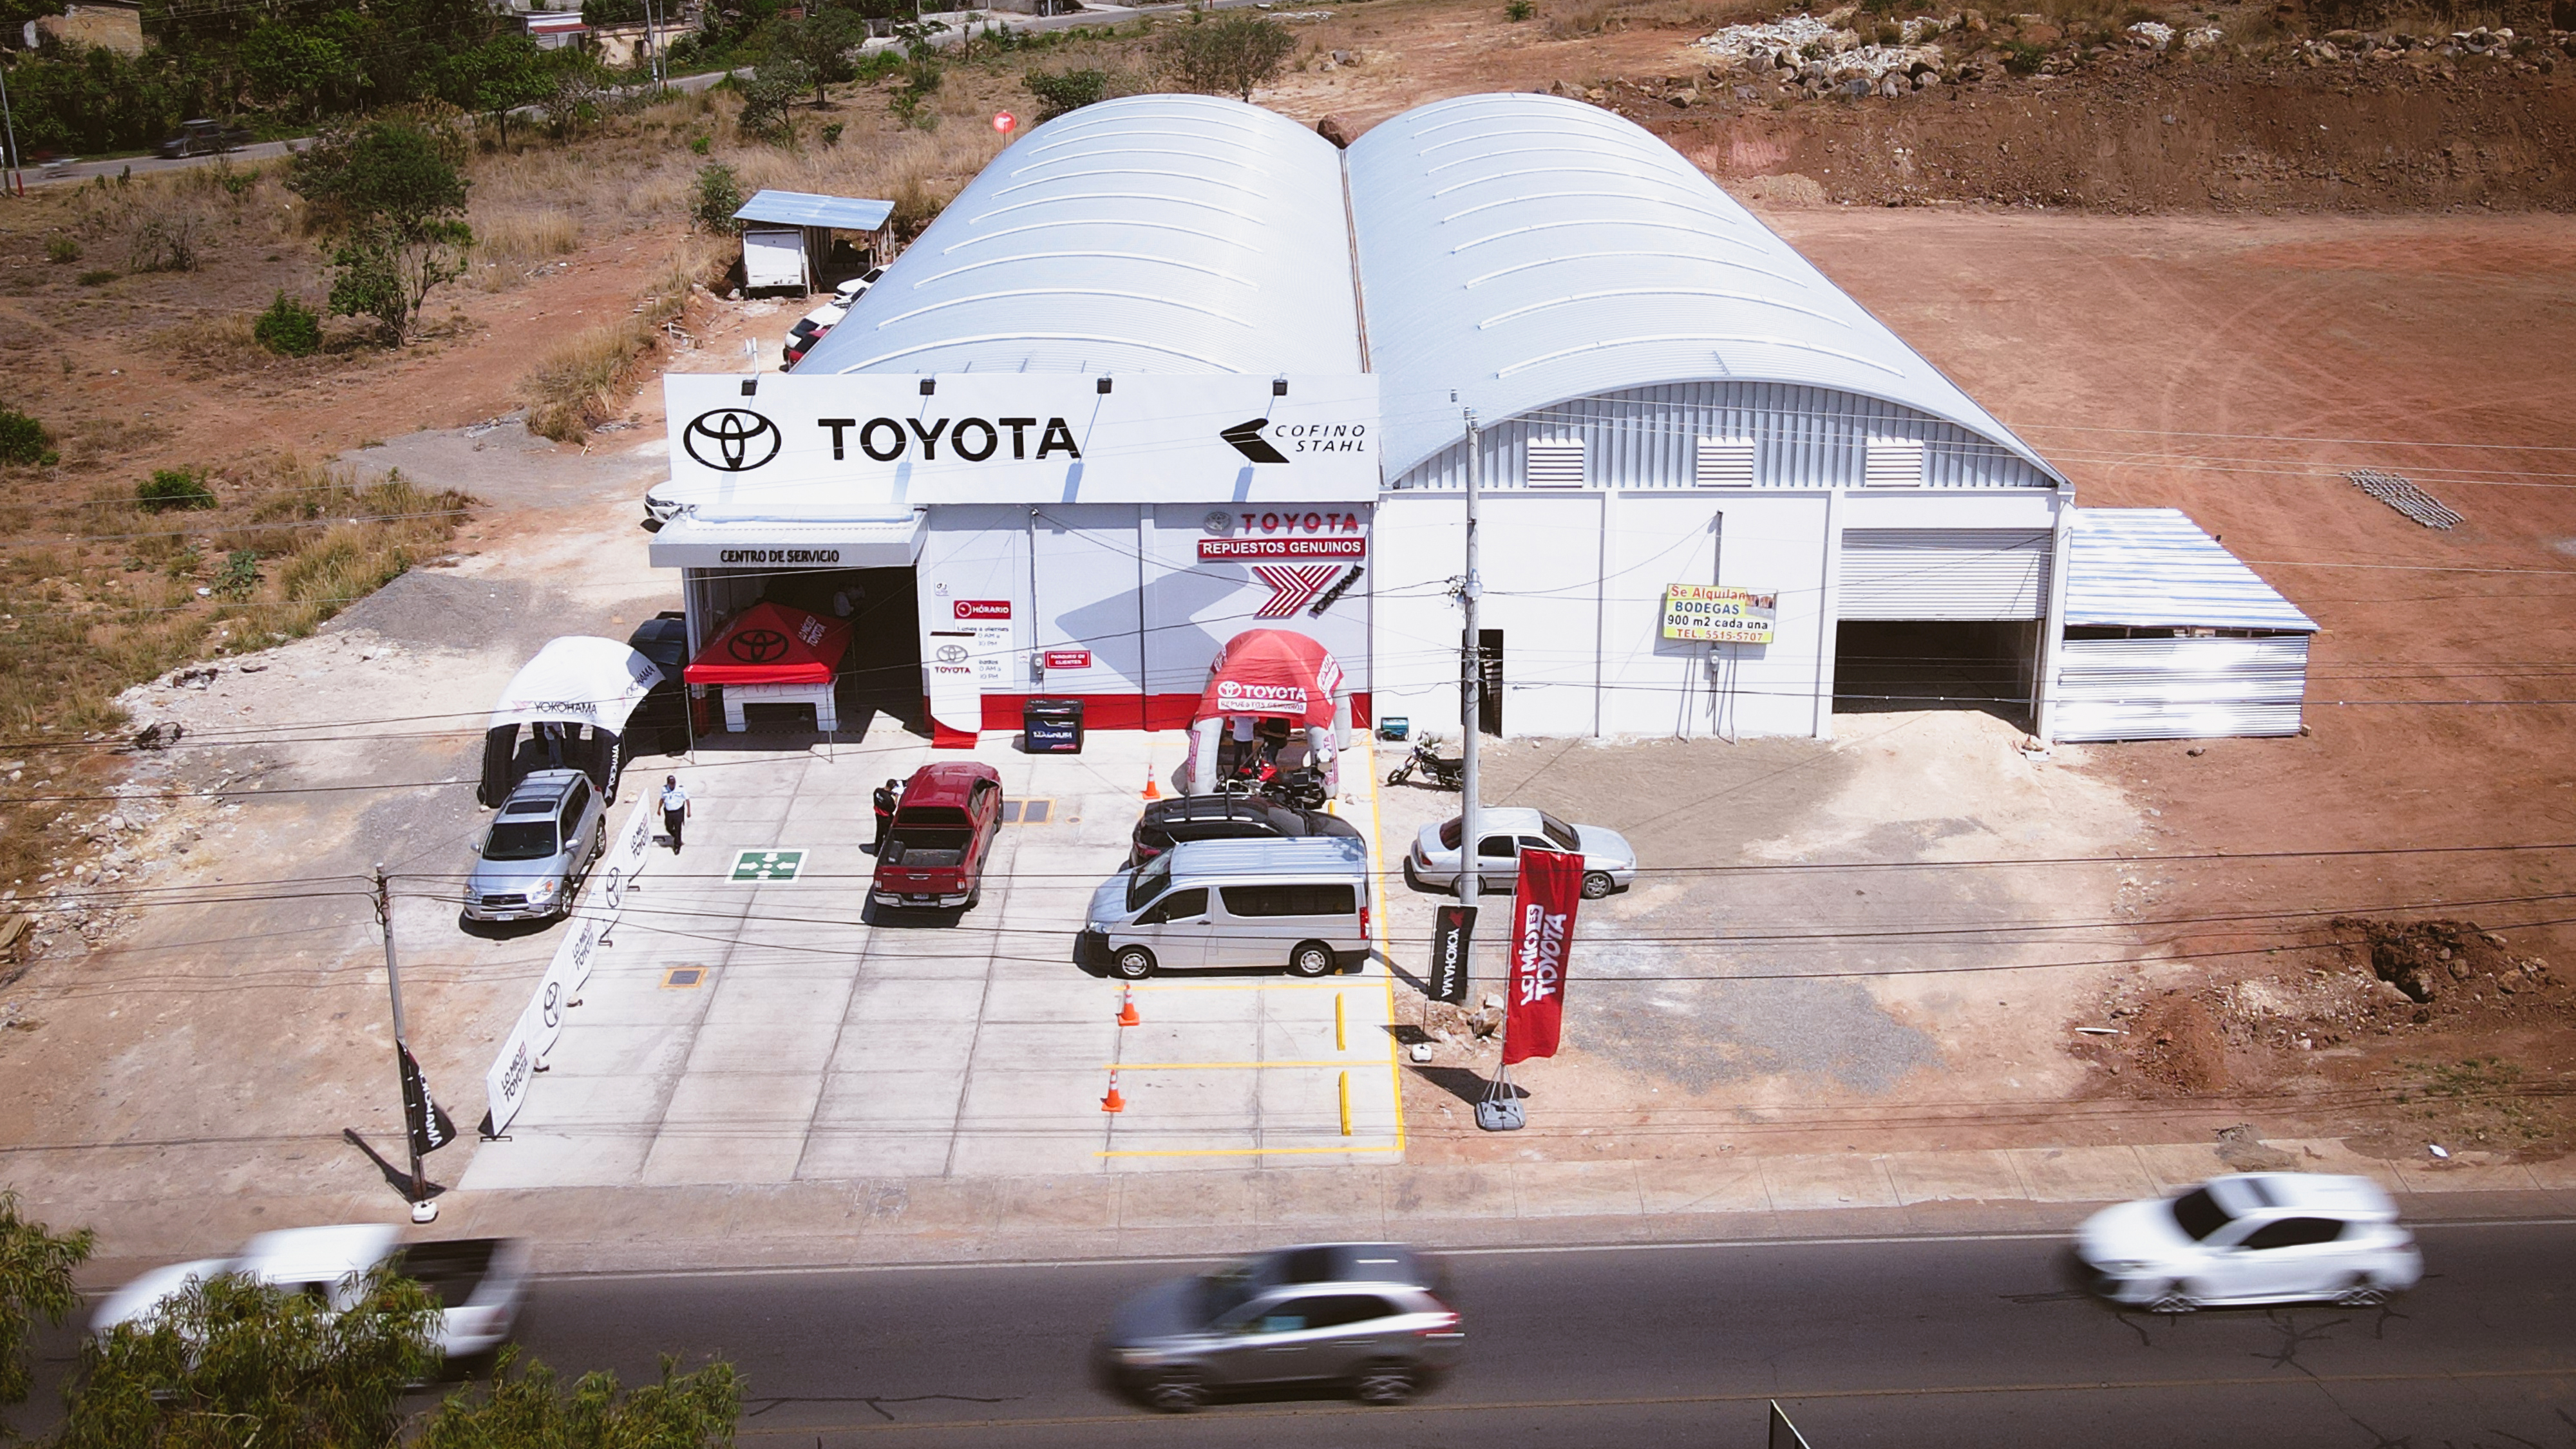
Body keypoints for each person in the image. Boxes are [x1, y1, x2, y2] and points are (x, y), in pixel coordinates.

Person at [659, 773, 690, 853]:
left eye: (674, 784)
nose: (672, 785)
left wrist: (689, 811)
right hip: (668, 812)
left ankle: (677, 846)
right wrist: (659, 809)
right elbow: (662, 799)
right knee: (668, 827)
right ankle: (677, 838)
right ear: (668, 783)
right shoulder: (664, 789)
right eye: (671, 784)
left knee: (678, 829)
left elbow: (687, 799)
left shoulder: (680, 789)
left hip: (678, 812)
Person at [872, 778, 899, 855]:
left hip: (878, 815)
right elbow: (892, 809)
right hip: (886, 817)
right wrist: (896, 799)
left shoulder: (877, 791)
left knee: (879, 833)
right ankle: (888, 852)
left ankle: (877, 850)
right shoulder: (889, 799)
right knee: (889, 834)